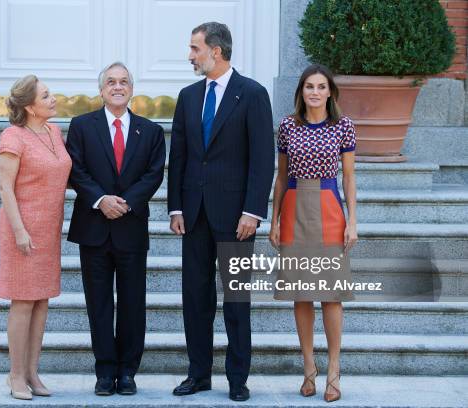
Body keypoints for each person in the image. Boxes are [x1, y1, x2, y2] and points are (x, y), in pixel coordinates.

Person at [167, 22, 275, 402]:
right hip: (193, 215)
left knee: (236, 301)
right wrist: (175, 206)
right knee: (195, 299)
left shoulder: (253, 94)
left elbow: (263, 159)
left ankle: (237, 379)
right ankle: (198, 375)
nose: (190, 55)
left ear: (216, 51)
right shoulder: (188, 95)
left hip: (236, 219)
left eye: (195, 48)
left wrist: (253, 211)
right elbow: (178, 155)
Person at [66, 62, 166, 396]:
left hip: (131, 227)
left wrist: (124, 202)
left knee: (133, 303)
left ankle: (127, 372)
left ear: (132, 88)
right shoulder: (81, 126)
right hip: (93, 228)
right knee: (98, 304)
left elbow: (154, 174)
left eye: (124, 82)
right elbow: (75, 170)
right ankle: (105, 372)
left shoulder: (150, 131)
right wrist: (100, 200)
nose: (118, 86)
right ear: (101, 89)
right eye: (111, 81)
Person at [268, 64, 358, 403]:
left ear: (330, 92)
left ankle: (334, 369)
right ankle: (309, 368)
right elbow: (280, 176)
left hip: (330, 206)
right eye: (309, 86)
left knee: (331, 294)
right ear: (301, 92)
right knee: (301, 293)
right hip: (292, 206)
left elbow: (348, 178)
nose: (315, 92)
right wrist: (273, 219)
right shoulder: (288, 126)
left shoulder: (343, 126)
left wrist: (353, 220)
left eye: (321, 87)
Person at [0, 75, 72, 400]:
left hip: (48, 229)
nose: (53, 98)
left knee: (41, 301)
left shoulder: (54, 132)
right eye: (46, 95)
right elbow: (5, 188)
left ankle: (32, 373)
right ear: (29, 105)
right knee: (23, 300)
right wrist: (19, 231)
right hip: (22, 230)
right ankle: (15, 376)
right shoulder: (13, 136)